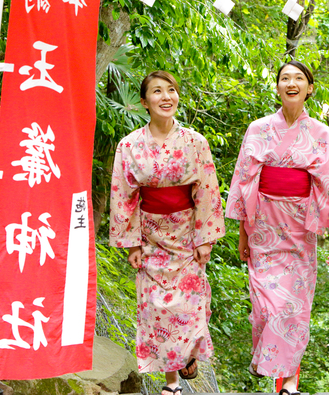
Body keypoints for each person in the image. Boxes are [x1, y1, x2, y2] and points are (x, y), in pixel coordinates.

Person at [225, 60, 329, 395]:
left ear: (310, 88)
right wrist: (242, 233)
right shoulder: (258, 128)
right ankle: (273, 363)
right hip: (263, 222)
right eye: (285, 78)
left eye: (299, 79)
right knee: (265, 305)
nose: (291, 83)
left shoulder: (321, 133)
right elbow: (245, 181)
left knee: (293, 305)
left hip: (300, 228)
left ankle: (289, 380)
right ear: (277, 87)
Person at [109, 71, 225, 395]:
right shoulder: (129, 145)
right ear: (144, 102)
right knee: (157, 309)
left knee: (188, 305)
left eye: (171, 90)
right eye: (157, 92)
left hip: (187, 235)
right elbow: (123, 196)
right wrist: (130, 243)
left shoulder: (195, 143)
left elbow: (207, 191)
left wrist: (205, 238)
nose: (165, 97)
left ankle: (188, 353)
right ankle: (171, 383)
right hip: (150, 236)